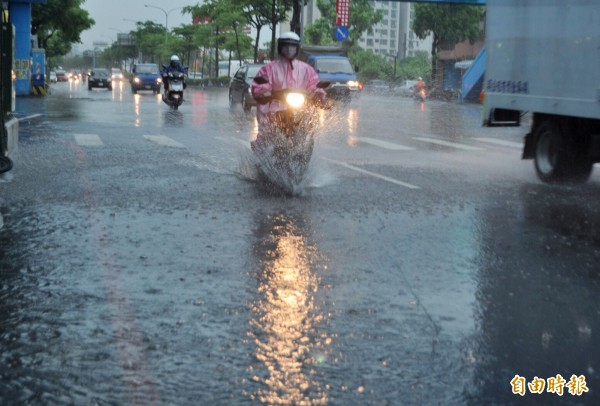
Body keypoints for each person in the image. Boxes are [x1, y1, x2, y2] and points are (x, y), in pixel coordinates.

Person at [250, 32, 326, 152]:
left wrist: (318, 94)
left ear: (297, 48)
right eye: (286, 46)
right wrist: (264, 92)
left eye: (292, 46)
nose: (289, 49)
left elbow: (315, 85)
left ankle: (306, 151)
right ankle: (261, 150)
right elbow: (259, 85)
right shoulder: (269, 68)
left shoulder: (306, 69)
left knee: (309, 131)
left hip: (300, 109)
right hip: (274, 110)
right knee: (266, 133)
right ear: (280, 47)